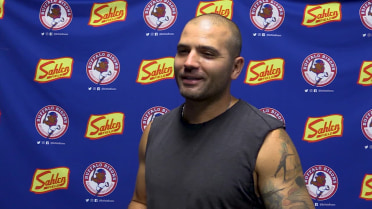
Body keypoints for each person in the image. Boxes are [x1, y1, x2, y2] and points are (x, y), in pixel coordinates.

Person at [128, 13, 315, 209]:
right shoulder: (154, 131)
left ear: (235, 67)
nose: (189, 62)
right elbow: (141, 201)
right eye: (183, 51)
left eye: (207, 54)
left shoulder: (269, 142)